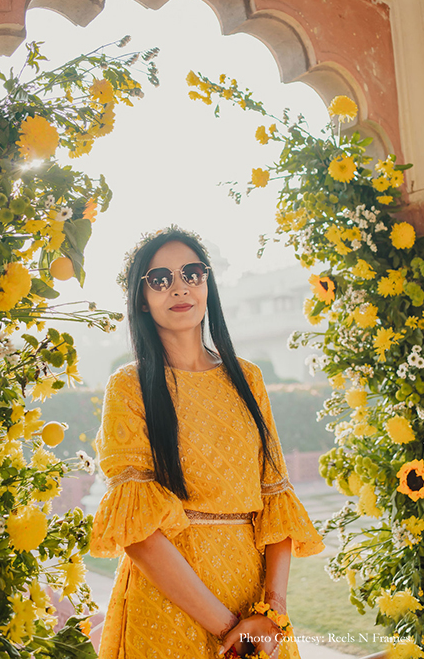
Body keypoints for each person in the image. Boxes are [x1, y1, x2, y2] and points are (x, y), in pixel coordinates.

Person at [90, 225, 324, 659]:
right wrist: (228, 627)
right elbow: (138, 531)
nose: (179, 287)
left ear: (207, 282)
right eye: (160, 279)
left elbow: (276, 499)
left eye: (192, 273)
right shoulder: (129, 386)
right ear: (142, 297)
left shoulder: (248, 378)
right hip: (167, 605)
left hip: (252, 603)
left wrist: (271, 613)